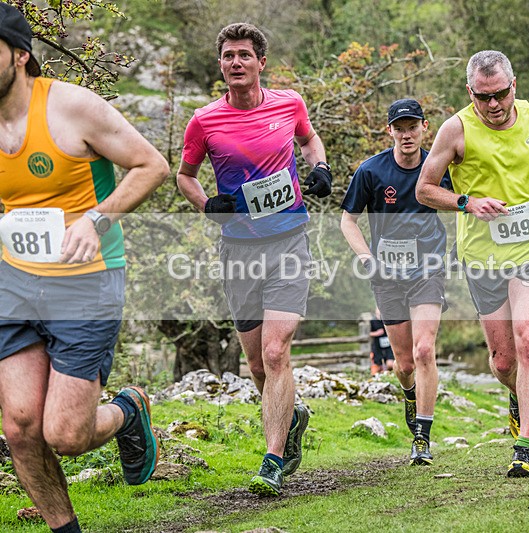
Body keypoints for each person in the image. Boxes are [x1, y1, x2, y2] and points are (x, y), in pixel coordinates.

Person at [0, 5, 169, 532]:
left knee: (66, 435)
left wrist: (95, 220)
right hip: (14, 281)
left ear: (20, 55)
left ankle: (128, 409)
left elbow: (152, 166)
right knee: (21, 426)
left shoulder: (71, 107)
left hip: (85, 278)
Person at [176, 23, 332, 496]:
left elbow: (309, 141)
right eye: (228, 56)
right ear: (220, 65)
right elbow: (184, 176)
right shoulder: (204, 120)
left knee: (275, 350)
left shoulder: (290, 104)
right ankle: (293, 414)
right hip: (238, 250)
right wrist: (208, 206)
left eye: (245, 55)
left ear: (261, 62)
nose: (236, 63)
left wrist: (319, 167)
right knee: (258, 365)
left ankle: (272, 458)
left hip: (288, 239)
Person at [416, 50, 529, 477]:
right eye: (483, 97)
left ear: (514, 86)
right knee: (504, 362)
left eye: (500, 94)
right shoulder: (455, 129)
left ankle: (524, 446)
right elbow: (424, 190)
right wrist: (466, 202)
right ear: (470, 92)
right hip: (483, 257)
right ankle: (516, 393)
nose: (493, 105)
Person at [341, 99, 450, 466]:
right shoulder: (371, 171)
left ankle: (422, 435)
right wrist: (367, 259)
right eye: (399, 128)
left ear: (424, 127)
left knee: (424, 351)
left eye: (412, 126)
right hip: (387, 277)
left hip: (428, 269)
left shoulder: (439, 167)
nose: (406, 134)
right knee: (403, 365)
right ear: (389, 130)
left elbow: (467, 201)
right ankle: (409, 395)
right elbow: (348, 221)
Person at [369, 308, 395, 375]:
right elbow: (368, 334)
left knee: (390, 364)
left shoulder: (388, 320)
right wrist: (376, 333)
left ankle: (390, 373)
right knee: (377, 366)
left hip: (389, 346)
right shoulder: (372, 321)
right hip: (377, 346)